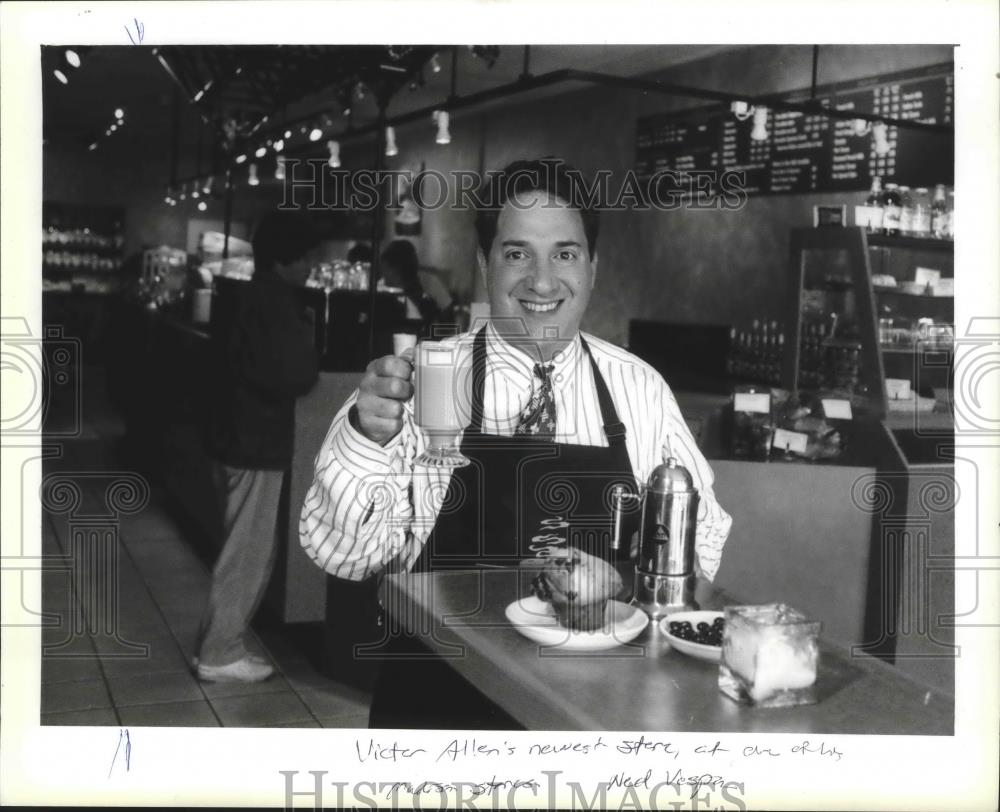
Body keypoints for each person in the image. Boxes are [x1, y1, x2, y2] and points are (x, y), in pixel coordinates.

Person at [300, 158, 732, 724]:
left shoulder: (639, 388)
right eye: (517, 253)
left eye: (565, 254)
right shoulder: (425, 377)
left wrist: (630, 602)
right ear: (485, 266)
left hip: (592, 709)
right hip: (437, 700)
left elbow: (696, 547)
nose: (543, 280)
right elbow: (348, 557)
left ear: (593, 268)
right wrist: (363, 438)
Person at [196, 211, 321, 683]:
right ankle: (219, 651)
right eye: (307, 256)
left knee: (238, 547)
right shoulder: (276, 302)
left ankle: (216, 644)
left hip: (231, 435)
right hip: (257, 440)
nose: (311, 266)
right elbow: (296, 374)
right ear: (288, 259)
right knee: (247, 553)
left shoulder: (247, 295)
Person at [379, 239, 441, 327]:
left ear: (395, 269)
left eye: (385, 268)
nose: (382, 273)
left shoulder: (426, 291)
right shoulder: (381, 288)